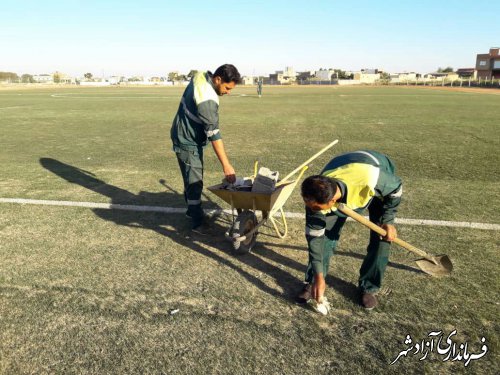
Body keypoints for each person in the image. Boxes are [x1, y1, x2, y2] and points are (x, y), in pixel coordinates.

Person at [298, 150, 403, 310]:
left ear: (332, 200)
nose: (312, 210)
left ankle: (369, 287)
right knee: (324, 239)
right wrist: (319, 276)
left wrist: (388, 220)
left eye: (316, 208)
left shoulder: (371, 177)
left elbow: (396, 189)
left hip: (375, 183)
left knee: (382, 239)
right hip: (342, 167)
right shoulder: (316, 196)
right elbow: (315, 239)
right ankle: (313, 281)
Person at [171, 64, 241, 231]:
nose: (228, 92)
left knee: (190, 177)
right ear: (217, 79)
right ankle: (197, 222)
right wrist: (226, 165)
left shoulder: (201, 76)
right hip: (187, 141)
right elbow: (214, 134)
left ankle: (191, 211)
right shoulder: (207, 100)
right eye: (227, 87)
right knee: (195, 182)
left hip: (183, 134)